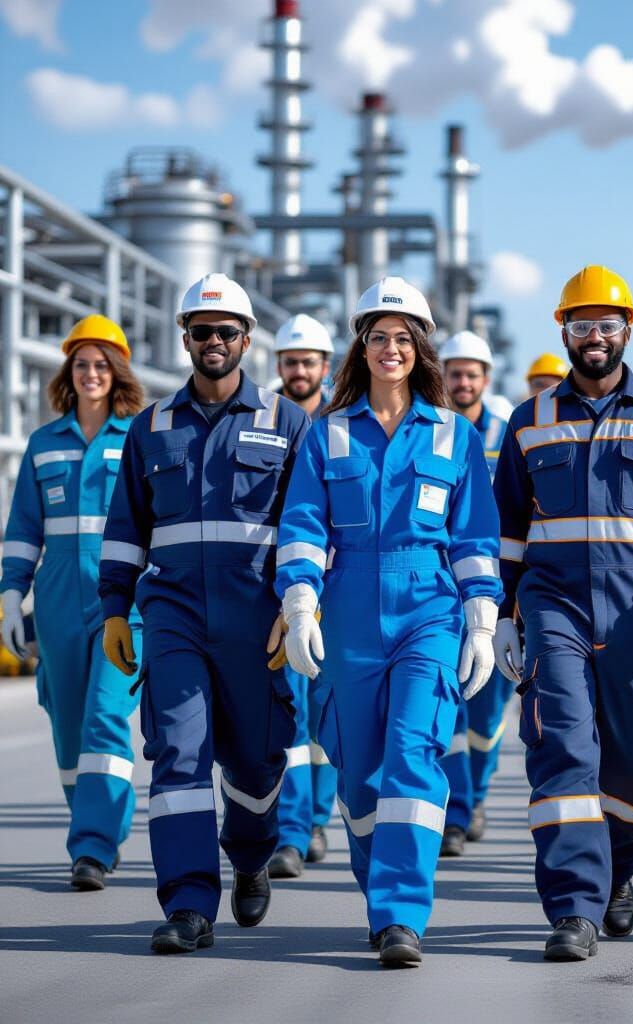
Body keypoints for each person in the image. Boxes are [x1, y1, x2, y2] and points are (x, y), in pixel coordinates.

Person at [492, 265, 633, 961]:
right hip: (553, 607)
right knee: (563, 748)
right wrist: (503, 612)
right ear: (562, 331)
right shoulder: (528, 420)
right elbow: (504, 527)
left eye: (608, 325)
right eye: (581, 325)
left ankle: (617, 871)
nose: (595, 337)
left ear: (628, 331)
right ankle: (572, 908)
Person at [275, 277, 501, 967]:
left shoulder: (454, 435)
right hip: (347, 609)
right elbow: (305, 524)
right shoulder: (329, 434)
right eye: (379, 337)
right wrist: (299, 601)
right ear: (362, 349)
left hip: (428, 608)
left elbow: (473, 537)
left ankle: (401, 913)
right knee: (357, 769)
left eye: (404, 338)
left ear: (419, 348)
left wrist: (483, 617)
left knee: (414, 752)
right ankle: (380, 884)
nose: (391, 348)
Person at [98, 273, 309, 954]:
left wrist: (300, 605)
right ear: (185, 337)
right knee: (178, 757)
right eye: (200, 331)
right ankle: (189, 903)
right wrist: (113, 609)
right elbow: (126, 526)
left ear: (247, 340)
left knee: (255, 763)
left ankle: (250, 855)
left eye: (225, 331)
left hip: (258, 620)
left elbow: (308, 527)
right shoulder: (151, 426)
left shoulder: (287, 422)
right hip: (174, 615)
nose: (212, 342)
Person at [2, 315, 145, 891]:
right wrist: (12, 594)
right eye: (82, 364)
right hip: (58, 596)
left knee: (106, 717)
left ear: (118, 374)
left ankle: (92, 845)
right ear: (70, 372)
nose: (91, 373)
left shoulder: (138, 436)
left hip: (122, 598)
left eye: (102, 364)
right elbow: (22, 528)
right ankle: (99, 820)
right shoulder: (43, 445)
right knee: (67, 729)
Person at [266, 313, 338, 878]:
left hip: (341, 587)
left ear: (325, 367)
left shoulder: (344, 422)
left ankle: (317, 819)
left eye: (307, 361)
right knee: (290, 710)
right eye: (290, 361)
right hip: (286, 586)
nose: (298, 370)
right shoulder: (264, 421)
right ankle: (291, 831)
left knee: (329, 711)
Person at [437, 329, 511, 855]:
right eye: (454, 372)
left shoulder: (508, 434)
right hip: (440, 589)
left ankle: (476, 792)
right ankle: (456, 813)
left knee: (486, 713)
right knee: (450, 709)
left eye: (471, 373)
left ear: (486, 379)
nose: (462, 382)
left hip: (495, 590)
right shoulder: (435, 432)